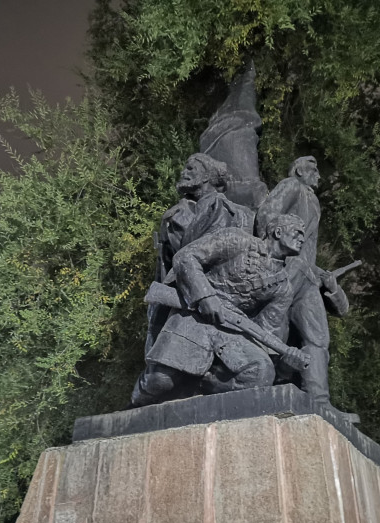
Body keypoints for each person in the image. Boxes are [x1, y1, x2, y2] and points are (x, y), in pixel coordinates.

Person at [130, 215, 307, 407]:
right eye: (298, 233)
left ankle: (201, 386)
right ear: (278, 232)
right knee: (160, 380)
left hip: (232, 330)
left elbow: (266, 335)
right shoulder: (236, 239)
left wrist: (285, 367)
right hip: (194, 314)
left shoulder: (283, 288)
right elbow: (186, 257)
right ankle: (132, 409)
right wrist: (205, 296)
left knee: (261, 372)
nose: (302, 239)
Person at [256, 156, 350, 410]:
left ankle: (319, 401)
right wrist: (273, 256)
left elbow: (308, 252)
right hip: (287, 267)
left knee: (318, 338)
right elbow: (266, 215)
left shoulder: (313, 200)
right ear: (299, 170)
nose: (319, 175)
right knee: (274, 326)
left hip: (307, 275)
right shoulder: (292, 185)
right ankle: (260, 382)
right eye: (314, 170)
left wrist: (322, 277)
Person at [147, 153, 255, 353]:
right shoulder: (172, 217)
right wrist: (156, 312)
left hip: (223, 302)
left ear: (206, 176)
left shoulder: (238, 214)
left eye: (190, 168)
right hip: (181, 300)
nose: (183, 172)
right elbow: (163, 269)